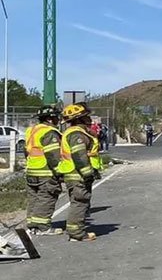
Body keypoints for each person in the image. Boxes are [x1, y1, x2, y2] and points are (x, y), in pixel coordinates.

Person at [58, 102, 103, 242]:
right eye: (86, 117)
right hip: (78, 174)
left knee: (78, 202)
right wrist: (88, 173)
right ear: (79, 119)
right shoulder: (77, 134)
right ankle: (77, 233)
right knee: (80, 202)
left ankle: (75, 231)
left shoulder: (79, 132)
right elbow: (79, 155)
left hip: (75, 174)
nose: (90, 120)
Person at [24, 106, 64, 236]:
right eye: (56, 117)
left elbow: (27, 151)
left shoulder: (32, 130)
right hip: (46, 172)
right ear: (50, 119)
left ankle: (32, 225)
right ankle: (43, 227)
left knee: (34, 199)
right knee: (46, 197)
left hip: (31, 170)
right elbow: (53, 155)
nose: (58, 119)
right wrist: (60, 172)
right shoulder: (50, 132)